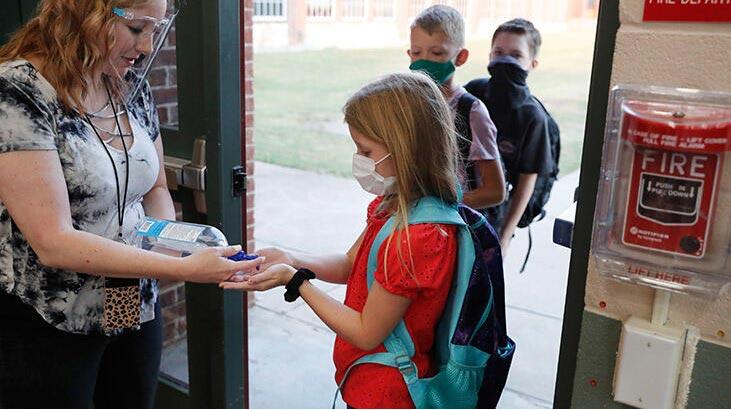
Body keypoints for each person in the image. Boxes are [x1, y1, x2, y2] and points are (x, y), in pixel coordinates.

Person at [0, 1, 262, 407]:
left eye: (156, 28)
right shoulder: (18, 92)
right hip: (50, 319)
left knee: (129, 398)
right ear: (84, 14)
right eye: (138, 28)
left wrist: (172, 241)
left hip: (128, 296)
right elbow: (52, 241)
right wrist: (181, 267)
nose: (147, 45)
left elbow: (156, 186)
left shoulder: (129, 87)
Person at [222, 72, 461, 409]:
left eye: (366, 149)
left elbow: (366, 331)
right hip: (365, 379)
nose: (359, 159)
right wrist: (292, 259)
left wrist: (296, 282)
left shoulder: (418, 237)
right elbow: (351, 265)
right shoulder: (393, 205)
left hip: (388, 394)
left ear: (406, 148)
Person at [465, 18, 553, 255]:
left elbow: (527, 181)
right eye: (499, 52)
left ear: (532, 64)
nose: (505, 60)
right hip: (460, 201)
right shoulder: (473, 93)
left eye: (515, 55)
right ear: (489, 56)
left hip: (494, 215)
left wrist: (504, 236)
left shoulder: (532, 117)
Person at [407, 5, 506, 212]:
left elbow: (495, 191)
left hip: (455, 223)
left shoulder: (472, 112)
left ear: (460, 57)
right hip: (416, 221)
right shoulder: (409, 104)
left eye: (436, 52)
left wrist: (442, 207)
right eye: (417, 52)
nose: (424, 60)